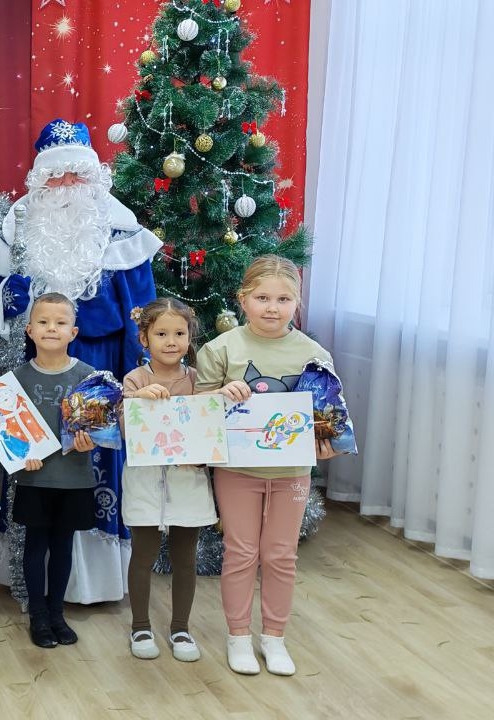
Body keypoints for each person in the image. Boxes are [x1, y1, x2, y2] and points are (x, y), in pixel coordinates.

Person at [0, 118, 160, 605]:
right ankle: (32, 578)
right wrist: (13, 297)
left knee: (93, 466)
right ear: (40, 179)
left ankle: (90, 582)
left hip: (99, 368)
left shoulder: (121, 228)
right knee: (36, 468)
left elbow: (141, 311)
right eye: (55, 175)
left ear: (93, 177)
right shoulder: (20, 225)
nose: (66, 185)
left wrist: (136, 376)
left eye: (76, 175)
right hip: (35, 370)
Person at [195, 255, 343, 676]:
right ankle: (238, 636)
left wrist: (327, 442)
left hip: (291, 474)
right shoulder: (220, 349)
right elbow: (199, 409)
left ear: (298, 302)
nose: (273, 308)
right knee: (241, 552)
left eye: (283, 299)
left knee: (281, 554)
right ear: (242, 299)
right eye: (262, 298)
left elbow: (329, 414)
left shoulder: (313, 353)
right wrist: (221, 393)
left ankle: (274, 637)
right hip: (237, 471)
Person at [120, 298, 218, 662]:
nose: (171, 341)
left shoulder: (197, 380)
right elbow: (125, 427)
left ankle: (181, 628)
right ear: (144, 338)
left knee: (185, 558)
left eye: (179, 333)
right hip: (145, 482)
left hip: (188, 482)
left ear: (190, 337)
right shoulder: (136, 379)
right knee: (143, 555)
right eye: (161, 334)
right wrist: (137, 398)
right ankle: (140, 626)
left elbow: (209, 427)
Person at [9, 293, 98, 648]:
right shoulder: (15, 380)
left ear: (73, 332)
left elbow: (99, 427)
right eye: (43, 322)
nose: (51, 328)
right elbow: (6, 431)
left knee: (63, 547)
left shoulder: (88, 377)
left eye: (60, 323)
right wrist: (21, 455)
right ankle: (38, 616)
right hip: (35, 478)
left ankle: (57, 613)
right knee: (36, 545)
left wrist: (89, 441)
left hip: (74, 479)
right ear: (29, 330)